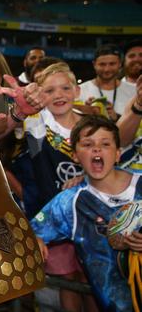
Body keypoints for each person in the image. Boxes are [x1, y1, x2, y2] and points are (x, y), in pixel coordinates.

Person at [32, 115, 140, 312]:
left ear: (118, 154)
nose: (96, 149)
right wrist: (34, 239)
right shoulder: (69, 203)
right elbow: (32, 231)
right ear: (74, 155)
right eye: (87, 144)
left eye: (105, 144)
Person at [25, 63, 97, 311]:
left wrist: (86, 177)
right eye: (49, 90)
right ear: (39, 94)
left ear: (77, 91)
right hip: (54, 219)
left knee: (93, 278)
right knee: (68, 280)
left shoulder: (92, 125)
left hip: (92, 217)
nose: (58, 95)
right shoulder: (36, 126)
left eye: (65, 88)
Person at [79, 44, 135, 119]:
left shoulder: (133, 92)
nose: (107, 69)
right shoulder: (80, 90)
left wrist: (117, 118)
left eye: (112, 64)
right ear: (94, 65)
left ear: (120, 64)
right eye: (102, 64)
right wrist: (85, 114)